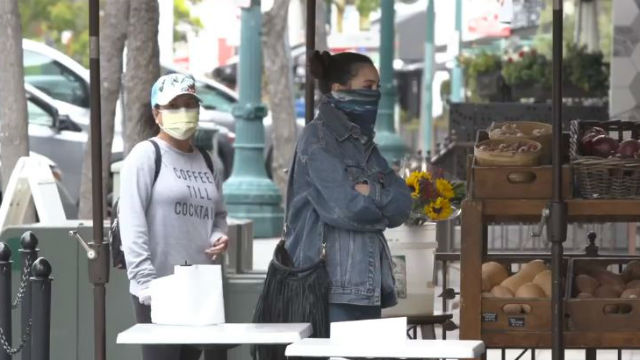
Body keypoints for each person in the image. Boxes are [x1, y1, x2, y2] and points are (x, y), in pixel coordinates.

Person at [284, 51, 412, 323]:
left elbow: (403, 204)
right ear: (339, 90)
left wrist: (370, 193)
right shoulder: (317, 139)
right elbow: (345, 208)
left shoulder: (365, 145)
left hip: (366, 283)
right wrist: (381, 202)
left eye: (377, 87)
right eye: (367, 87)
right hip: (328, 286)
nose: (375, 94)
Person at [119, 73, 229, 360]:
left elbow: (218, 214)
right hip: (159, 286)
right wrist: (145, 284)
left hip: (199, 287)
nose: (184, 112)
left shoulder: (208, 161)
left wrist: (218, 235)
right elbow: (132, 223)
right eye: (175, 105)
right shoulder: (145, 156)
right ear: (157, 114)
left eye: (190, 104)